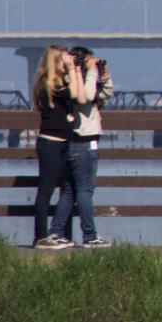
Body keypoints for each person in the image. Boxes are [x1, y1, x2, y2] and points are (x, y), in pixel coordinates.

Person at [48, 46, 113, 248]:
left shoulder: (73, 79)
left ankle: (56, 232)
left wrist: (102, 72)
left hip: (73, 142)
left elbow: (106, 93)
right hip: (84, 141)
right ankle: (90, 236)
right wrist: (91, 72)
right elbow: (86, 95)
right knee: (85, 190)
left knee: (69, 191)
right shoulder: (75, 82)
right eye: (90, 62)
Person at [32, 45, 86, 249]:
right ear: (56, 60)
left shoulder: (61, 83)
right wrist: (73, 69)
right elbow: (73, 93)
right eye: (65, 57)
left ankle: (58, 232)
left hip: (64, 141)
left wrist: (78, 69)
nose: (69, 60)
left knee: (67, 188)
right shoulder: (48, 84)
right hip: (50, 143)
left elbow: (80, 98)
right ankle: (40, 236)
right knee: (46, 190)